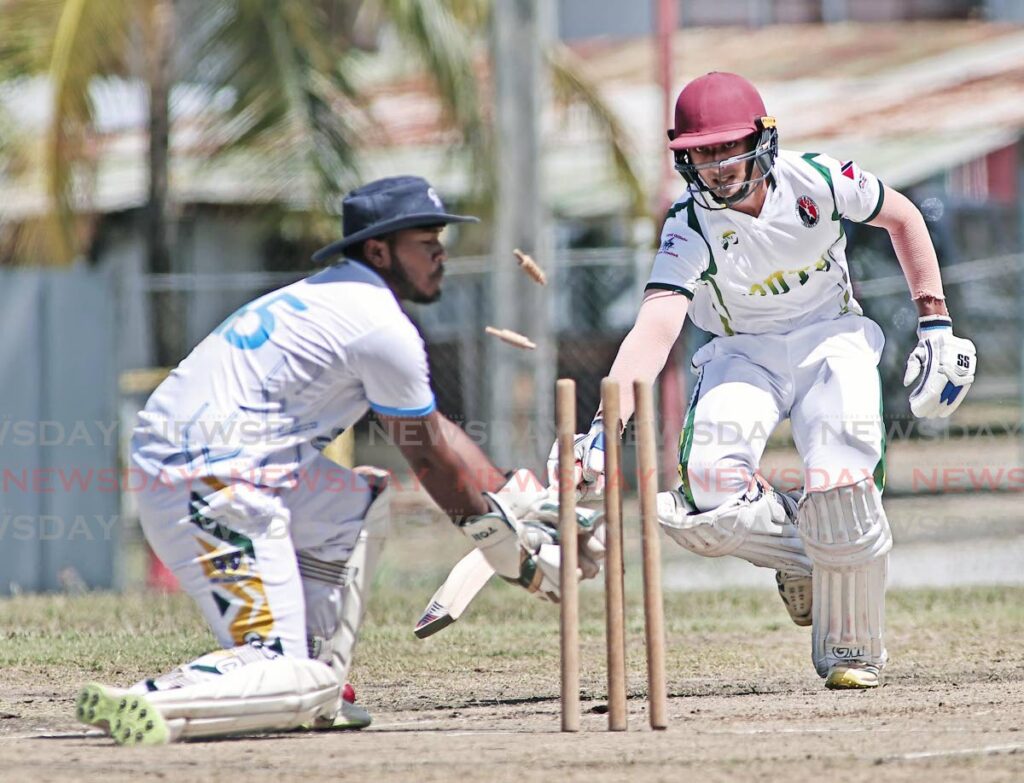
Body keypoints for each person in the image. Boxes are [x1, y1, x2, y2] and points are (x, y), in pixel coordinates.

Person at [77, 176, 602, 745]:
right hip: (209, 481)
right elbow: (426, 458)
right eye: (426, 243)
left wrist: (513, 497)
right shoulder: (377, 323)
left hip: (221, 467)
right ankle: (155, 700)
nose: (440, 256)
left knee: (360, 503)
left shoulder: (342, 299)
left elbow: (433, 429)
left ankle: (319, 684)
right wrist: (511, 555)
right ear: (379, 250)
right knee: (285, 675)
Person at [550, 72, 976, 690]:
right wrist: (602, 427)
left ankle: (852, 648)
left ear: (762, 140)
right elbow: (656, 324)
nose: (717, 166)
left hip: (831, 336)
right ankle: (812, 557)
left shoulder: (819, 179)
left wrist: (935, 322)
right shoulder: (688, 226)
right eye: (702, 152)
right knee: (702, 500)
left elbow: (903, 217)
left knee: (843, 480)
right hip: (741, 355)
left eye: (728, 148)